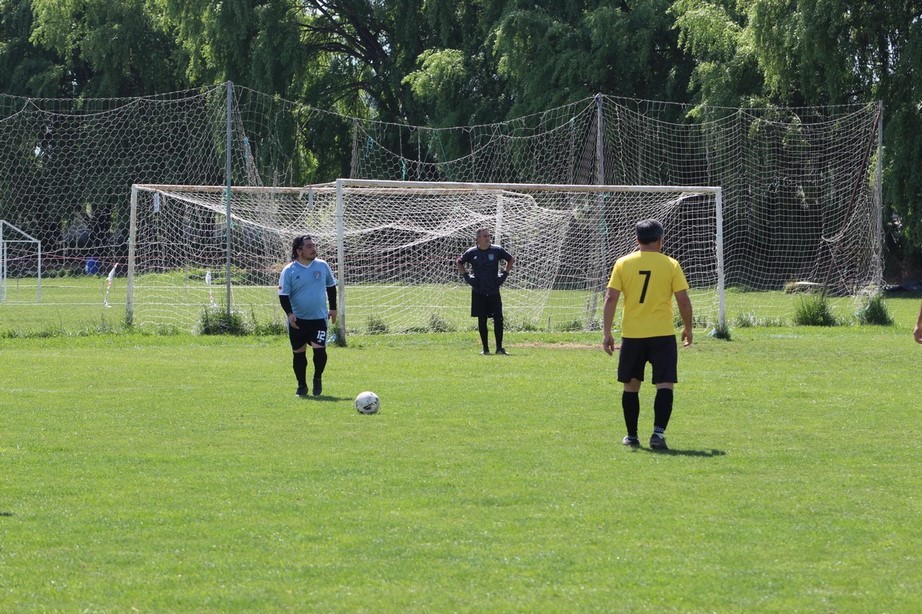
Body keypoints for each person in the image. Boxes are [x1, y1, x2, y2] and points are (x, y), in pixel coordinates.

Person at [602, 219, 693, 451]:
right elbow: (683, 300)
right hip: (662, 335)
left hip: (633, 335)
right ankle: (658, 434)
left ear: (637, 240)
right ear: (660, 241)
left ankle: (632, 436)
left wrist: (607, 332)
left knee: (631, 386)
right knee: (665, 384)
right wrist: (688, 328)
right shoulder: (671, 264)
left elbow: (610, 298)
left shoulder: (623, 263)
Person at [278, 235, 338, 397]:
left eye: (313, 245)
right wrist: (290, 314)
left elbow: (331, 286)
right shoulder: (289, 270)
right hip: (298, 321)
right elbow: (283, 295)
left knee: (320, 351)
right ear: (299, 251)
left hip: (319, 319)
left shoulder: (322, 265)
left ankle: (317, 378)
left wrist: (333, 309)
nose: (313, 249)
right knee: (299, 354)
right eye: (309, 246)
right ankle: (301, 385)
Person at [457, 228, 514, 355]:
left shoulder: (497, 250)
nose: (488, 238)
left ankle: (499, 348)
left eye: (488, 236)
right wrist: (467, 276)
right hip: (479, 291)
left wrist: (505, 274)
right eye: (485, 236)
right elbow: (459, 262)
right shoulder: (471, 252)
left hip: (493, 290)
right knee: (482, 320)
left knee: (498, 319)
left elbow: (511, 259)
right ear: (478, 239)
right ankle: (485, 349)